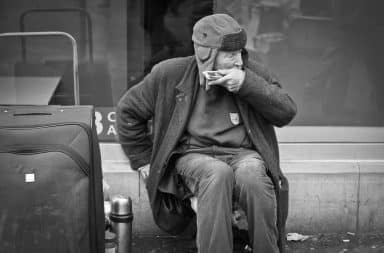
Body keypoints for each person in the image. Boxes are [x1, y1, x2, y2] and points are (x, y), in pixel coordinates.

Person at [116, 13, 297, 253]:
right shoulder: (170, 74)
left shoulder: (251, 73)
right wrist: (142, 161)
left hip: (243, 154)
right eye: (230, 55)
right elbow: (128, 111)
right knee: (216, 173)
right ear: (207, 55)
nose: (238, 61)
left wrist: (246, 85)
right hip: (193, 155)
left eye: (240, 53)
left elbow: (286, 112)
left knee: (253, 173)